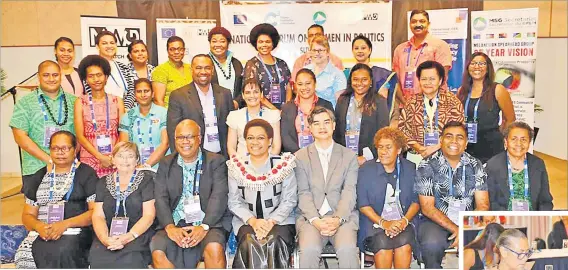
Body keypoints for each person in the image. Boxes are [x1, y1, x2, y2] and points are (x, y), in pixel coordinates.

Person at [152, 120, 231, 268]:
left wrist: (204, 226)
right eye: (180, 137)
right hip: (175, 222)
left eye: (190, 137)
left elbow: (218, 197)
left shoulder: (216, 161)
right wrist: (169, 227)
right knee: (158, 251)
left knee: (214, 247)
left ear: (199, 139)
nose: (185, 142)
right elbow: (160, 198)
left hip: (208, 222)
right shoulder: (166, 163)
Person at [14, 131, 97, 269]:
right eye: (55, 148)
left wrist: (64, 224)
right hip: (43, 231)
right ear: (50, 150)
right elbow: (27, 215)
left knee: (62, 250)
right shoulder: (39, 176)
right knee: (23, 254)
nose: (60, 152)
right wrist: (39, 226)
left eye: (65, 148)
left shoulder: (86, 174)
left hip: (75, 230)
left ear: (75, 149)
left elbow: (95, 212)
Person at [414, 121, 490, 268]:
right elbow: (428, 208)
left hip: (468, 221)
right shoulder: (426, 165)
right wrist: (456, 229)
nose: (454, 141)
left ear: (466, 143)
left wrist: (464, 227)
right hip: (435, 221)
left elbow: (483, 205)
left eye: (460, 137)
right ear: (441, 140)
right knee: (431, 244)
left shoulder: (476, 165)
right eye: (449, 136)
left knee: (485, 242)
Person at [295, 106, 360, 268]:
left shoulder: (349, 156)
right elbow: (303, 192)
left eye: (326, 122)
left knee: (347, 249)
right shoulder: (300, 157)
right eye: (316, 123)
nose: (322, 127)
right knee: (309, 250)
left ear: (334, 125)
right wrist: (316, 220)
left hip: (342, 218)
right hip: (311, 219)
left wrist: (338, 218)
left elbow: (349, 191)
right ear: (309, 128)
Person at [228, 119, 297, 268]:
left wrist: (270, 222)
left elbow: (289, 200)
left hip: (281, 221)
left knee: (273, 241)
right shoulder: (236, 166)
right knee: (249, 240)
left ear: (269, 141)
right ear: (245, 141)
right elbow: (234, 202)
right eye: (250, 138)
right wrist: (253, 221)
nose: (255, 142)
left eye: (260, 138)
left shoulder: (284, 164)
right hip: (247, 222)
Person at [357, 127, 420, 269]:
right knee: (382, 244)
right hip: (375, 222)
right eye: (380, 147)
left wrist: (404, 221)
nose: (383, 151)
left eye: (388, 147)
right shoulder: (366, 169)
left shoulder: (410, 168)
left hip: (404, 222)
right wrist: (384, 223)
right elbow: (363, 204)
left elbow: (416, 201)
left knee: (404, 243)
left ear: (398, 150)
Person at [89, 142, 156, 268]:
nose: (125, 160)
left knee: (130, 260)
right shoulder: (102, 182)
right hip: (108, 233)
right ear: (113, 159)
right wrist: (105, 239)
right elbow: (98, 215)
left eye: (130, 156)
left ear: (137, 160)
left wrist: (128, 237)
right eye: (120, 156)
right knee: (97, 258)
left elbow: (149, 215)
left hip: (138, 233)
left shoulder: (147, 181)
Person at [10, 60, 77, 177]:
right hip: (35, 168)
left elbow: (80, 134)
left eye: (55, 75)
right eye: (46, 75)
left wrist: (67, 160)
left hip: (69, 167)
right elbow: (20, 137)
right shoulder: (25, 103)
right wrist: (49, 160)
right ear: (38, 76)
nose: (51, 79)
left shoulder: (74, 101)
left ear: (60, 76)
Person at [166, 54, 234, 157]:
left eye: (207, 68)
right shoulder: (179, 96)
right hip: (194, 157)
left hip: (222, 157)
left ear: (212, 70)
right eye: (198, 68)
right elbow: (173, 132)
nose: (203, 72)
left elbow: (231, 128)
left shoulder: (225, 94)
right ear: (191, 70)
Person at [399, 60, 464, 163]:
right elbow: (403, 130)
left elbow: (459, 129)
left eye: (432, 79)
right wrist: (419, 148)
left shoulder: (452, 101)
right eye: (424, 79)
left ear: (440, 80)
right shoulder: (411, 102)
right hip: (417, 156)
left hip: (446, 156)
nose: (428, 83)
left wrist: (436, 147)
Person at [457, 52, 516, 163]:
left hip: (491, 147)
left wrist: (498, 134)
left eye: (481, 63)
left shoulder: (498, 89)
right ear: (468, 67)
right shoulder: (462, 91)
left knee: (490, 179)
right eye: (473, 63)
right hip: (466, 146)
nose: (477, 66)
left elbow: (510, 119)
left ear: (488, 68)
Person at [75, 55, 125, 178]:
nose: (96, 79)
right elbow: (80, 136)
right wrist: (100, 157)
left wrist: (112, 157)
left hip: (115, 158)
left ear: (106, 77)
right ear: (85, 79)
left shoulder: (117, 101)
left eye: (99, 75)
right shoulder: (80, 102)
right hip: (89, 158)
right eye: (91, 76)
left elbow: (123, 132)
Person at [486, 121, 553, 211]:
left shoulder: (538, 164)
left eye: (524, 139)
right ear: (506, 142)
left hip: (532, 218)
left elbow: (545, 200)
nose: (519, 143)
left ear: (529, 143)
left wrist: (540, 217)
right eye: (514, 139)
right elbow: (491, 201)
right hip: (504, 219)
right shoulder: (493, 165)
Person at [334, 64, 390, 166]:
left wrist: (367, 157)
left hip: (369, 159)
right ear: (350, 81)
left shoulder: (379, 101)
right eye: (355, 79)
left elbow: (383, 132)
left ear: (371, 81)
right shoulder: (343, 100)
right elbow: (336, 131)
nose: (359, 83)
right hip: (344, 159)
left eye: (364, 79)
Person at [393, 10, 452, 101]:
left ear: (428, 24)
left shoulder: (440, 46)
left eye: (422, 21)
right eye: (414, 22)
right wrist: (405, 103)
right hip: (405, 105)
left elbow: (442, 77)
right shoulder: (399, 49)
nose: (417, 24)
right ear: (410, 25)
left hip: (433, 105)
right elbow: (395, 80)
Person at [348, 35, 403, 126]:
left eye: (363, 48)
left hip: (377, 119)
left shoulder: (384, 75)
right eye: (356, 48)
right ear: (352, 51)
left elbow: (392, 98)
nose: (360, 51)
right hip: (354, 119)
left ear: (369, 50)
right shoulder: (346, 73)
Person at [280, 69, 334, 153]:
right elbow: (286, 137)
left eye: (308, 83)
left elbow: (330, 133)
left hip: (321, 154)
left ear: (315, 84)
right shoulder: (287, 108)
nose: (304, 87)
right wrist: (300, 156)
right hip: (295, 157)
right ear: (295, 86)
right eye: (300, 84)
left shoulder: (326, 105)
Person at [119, 78, 169, 169]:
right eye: (139, 91)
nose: (143, 95)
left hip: (161, 167)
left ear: (153, 94)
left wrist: (146, 165)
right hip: (136, 168)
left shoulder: (163, 113)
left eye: (146, 91)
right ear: (134, 95)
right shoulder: (127, 117)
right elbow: (124, 146)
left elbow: (165, 143)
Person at [226, 79, 281, 157]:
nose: (252, 96)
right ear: (243, 95)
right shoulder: (234, 116)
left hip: (268, 164)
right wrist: (239, 165)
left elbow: (276, 146)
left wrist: (266, 163)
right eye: (248, 93)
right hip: (242, 163)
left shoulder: (273, 115)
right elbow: (231, 148)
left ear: (261, 94)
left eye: (255, 92)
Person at [243, 23, 292, 109]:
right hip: (263, 111)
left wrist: (287, 108)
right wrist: (274, 110)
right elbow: (253, 92)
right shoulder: (252, 64)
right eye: (261, 42)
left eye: (268, 42)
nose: (264, 45)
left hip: (284, 111)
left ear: (273, 43)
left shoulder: (282, 63)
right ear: (256, 44)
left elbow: (288, 87)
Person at [89, 31, 135, 109]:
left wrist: (124, 108)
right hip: (101, 111)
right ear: (97, 46)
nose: (109, 46)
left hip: (124, 112)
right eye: (104, 43)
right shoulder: (90, 67)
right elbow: (89, 91)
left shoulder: (123, 67)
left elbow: (132, 90)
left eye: (112, 43)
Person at [304, 36, 346, 108]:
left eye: (320, 50)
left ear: (327, 52)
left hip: (329, 116)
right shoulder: (305, 71)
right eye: (314, 50)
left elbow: (341, 105)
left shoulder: (337, 74)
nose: (317, 53)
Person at [208, 26, 244, 107]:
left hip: (235, 109)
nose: (218, 45)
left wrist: (237, 102)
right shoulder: (205, 63)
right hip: (212, 108)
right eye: (214, 41)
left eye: (222, 41)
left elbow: (243, 86)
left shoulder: (236, 63)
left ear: (228, 44)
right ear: (210, 43)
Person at [152, 36, 192, 107]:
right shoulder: (161, 70)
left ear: (184, 51)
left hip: (192, 113)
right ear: (168, 51)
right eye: (172, 49)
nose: (176, 52)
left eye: (179, 49)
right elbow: (158, 100)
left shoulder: (191, 68)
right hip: (171, 114)